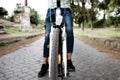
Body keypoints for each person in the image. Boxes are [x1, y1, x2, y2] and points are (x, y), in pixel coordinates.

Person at [38, 0, 75, 77]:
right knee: (48, 36)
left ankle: (68, 60)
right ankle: (45, 63)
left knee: (69, 31)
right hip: (51, 9)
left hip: (65, 9)